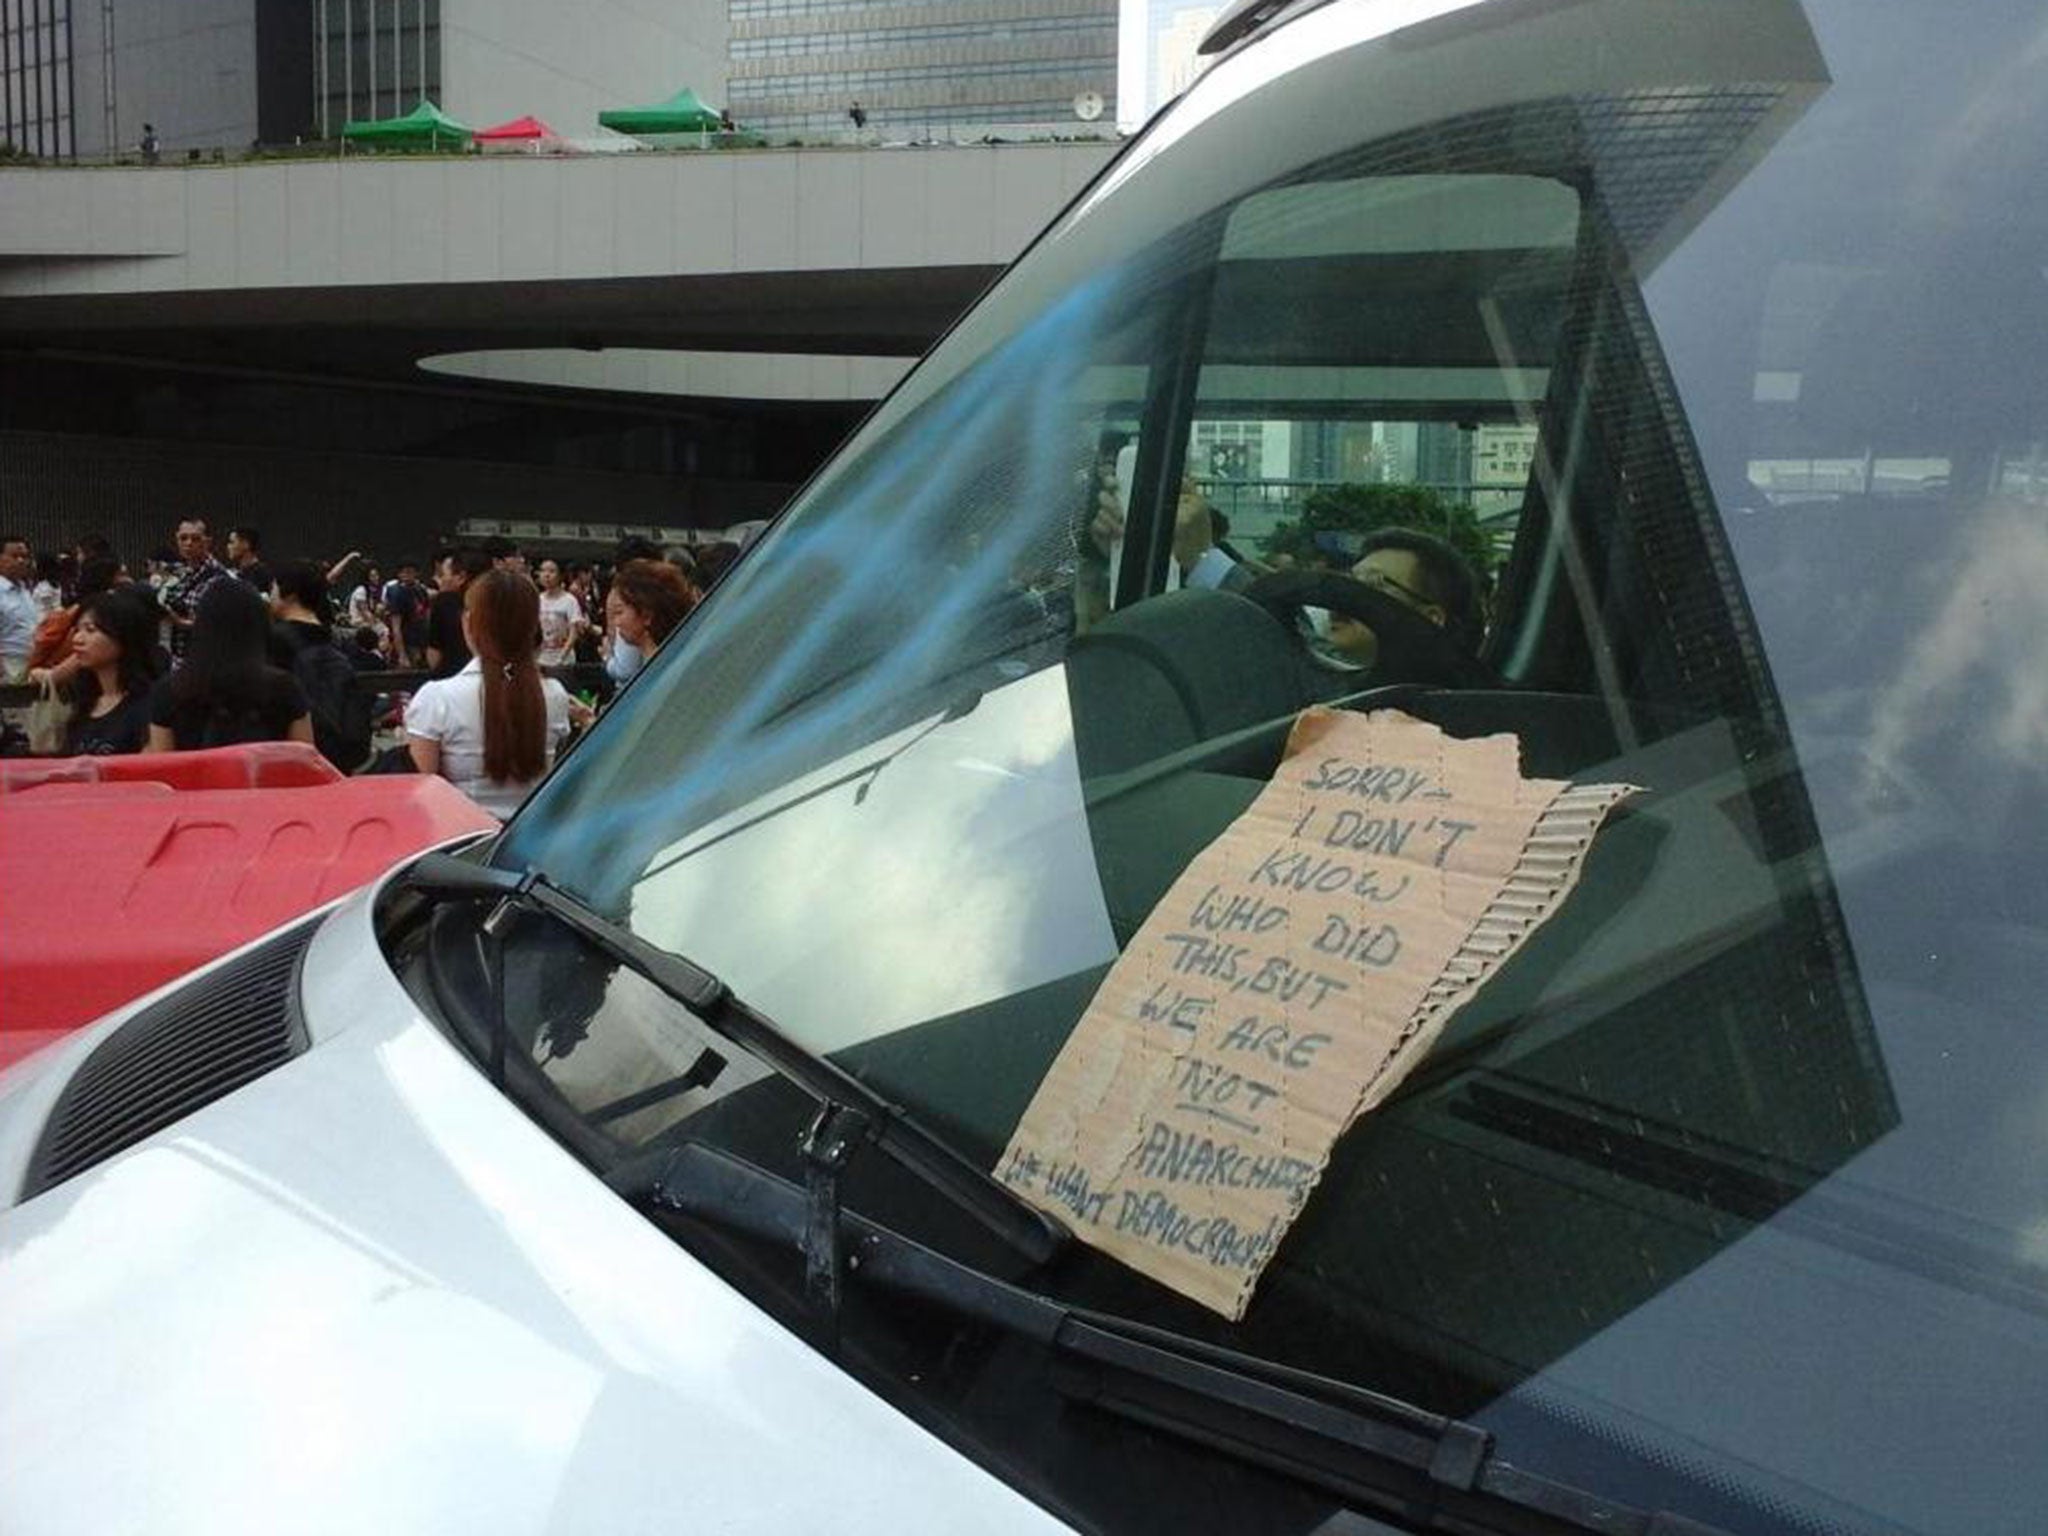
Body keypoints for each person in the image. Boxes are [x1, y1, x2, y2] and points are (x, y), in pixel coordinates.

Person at [405, 569, 578, 819]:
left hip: (460, 846)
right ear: (533, 626)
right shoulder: (556, 695)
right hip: (531, 844)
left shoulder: (437, 698)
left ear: (469, 622)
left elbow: (421, 796)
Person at [146, 578, 313, 752]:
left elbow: (163, 765)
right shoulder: (285, 688)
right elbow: (306, 764)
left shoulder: (170, 691)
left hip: (194, 778)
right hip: (265, 777)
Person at [1323, 528, 1485, 669]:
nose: (1344, 592)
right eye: (1350, 580)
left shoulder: (1443, 702)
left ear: (1429, 619)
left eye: (1372, 582)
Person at [270, 560, 371, 772]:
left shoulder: (273, 642)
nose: (270, 595)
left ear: (289, 594)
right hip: (339, 764)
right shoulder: (338, 643)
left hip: (295, 763)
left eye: (274, 588)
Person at [61, 589, 160, 755]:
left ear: (123, 636)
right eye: (77, 630)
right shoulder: (84, 703)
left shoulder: (148, 707)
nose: (77, 639)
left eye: (90, 630)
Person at [604, 559, 696, 683]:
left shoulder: (659, 674)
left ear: (647, 616)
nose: (616, 623)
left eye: (620, 612)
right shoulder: (674, 660)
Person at [159, 517, 233, 664]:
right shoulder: (181, 574)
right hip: (180, 658)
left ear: (207, 542)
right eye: (183, 538)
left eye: (195, 539)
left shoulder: (221, 579)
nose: (188, 543)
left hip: (207, 661)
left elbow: (226, 625)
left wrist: (184, 623)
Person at [426, 548, 490, 679]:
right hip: (493, 678)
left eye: (444, 574)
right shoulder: (501, 600)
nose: (441, 580)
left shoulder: (444, 601)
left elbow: (434, 652)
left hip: (451, 676)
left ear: (461, 577)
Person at [0, 534, 44, 682]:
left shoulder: (24, 590)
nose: (21, 561)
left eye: (24, 557)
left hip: (30, 663)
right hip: (7, 665)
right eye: (14, 556)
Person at [535, 558, 586, 666]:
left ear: (560, 575)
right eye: (543, 571)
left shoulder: (569, 600)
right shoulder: (537, 599)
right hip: (541, 658)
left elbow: (574, 632)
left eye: (552, 571)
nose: (546, 575)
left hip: (564, 660)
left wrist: (561, 657)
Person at [225, 526, 271, 595]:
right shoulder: (233, 573)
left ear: (245, 544)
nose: (228, 546)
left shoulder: (262, 575)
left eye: (232, 542)